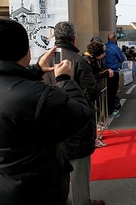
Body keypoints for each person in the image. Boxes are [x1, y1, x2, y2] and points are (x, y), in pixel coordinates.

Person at [0, 19, 93, 205]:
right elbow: (81, 114)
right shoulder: (35, 95)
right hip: (35, 188)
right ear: (26, 50)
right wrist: (66, 79)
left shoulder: (22, 88)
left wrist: (36, 70)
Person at [43, 21, 104, 205]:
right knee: (78, 175)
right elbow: (91, 92)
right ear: (74, 38)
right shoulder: (78, 61)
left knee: (57, 174)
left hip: (50, 125)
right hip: (75, 125)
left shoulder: (44, 60)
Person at [83, 41, 115, 148]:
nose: (104, 55)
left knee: (94, 115)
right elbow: (92, 76)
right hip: (87, 93)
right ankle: (93, 139)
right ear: (98, 53)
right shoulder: (86, 61)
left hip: (92, 92)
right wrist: (106, 73)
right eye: (103, 53)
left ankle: (95, 136)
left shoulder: (93, 60)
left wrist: (106, 71)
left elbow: (98, 70)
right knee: (90, 117)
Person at [105, 32, 127, 118]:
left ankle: (106, 111)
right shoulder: (115, 48)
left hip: (104, 73)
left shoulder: (104, 46)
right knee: (112, 93)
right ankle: (111, 111)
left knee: (106, 93)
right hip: (114, 72)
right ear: (114, 39)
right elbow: (122, 59)